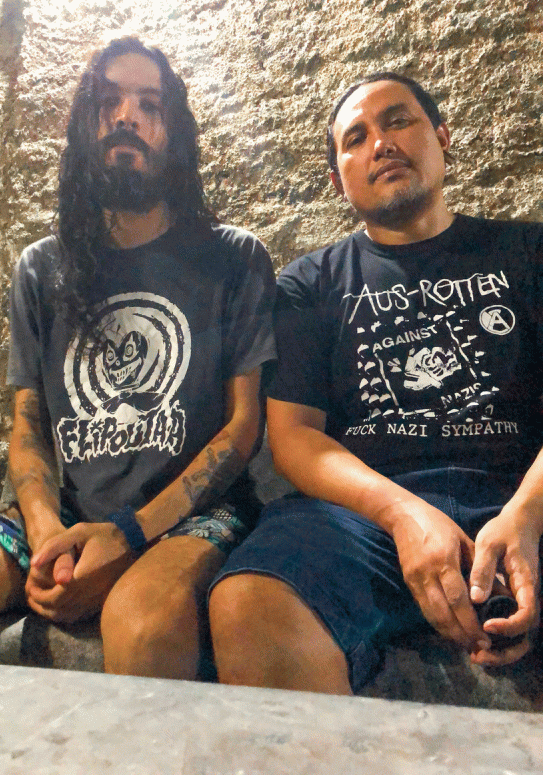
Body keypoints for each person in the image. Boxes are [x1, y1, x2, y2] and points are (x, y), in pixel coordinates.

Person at [0, 36, 275, 680]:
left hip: (189, 517)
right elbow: (28, 426)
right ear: (84, 126)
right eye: (109, 101)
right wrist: (46, 536)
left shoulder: (234, 257)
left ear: (174, 132)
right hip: (62, 516)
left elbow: (242, 430)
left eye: (149, 105)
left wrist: (128, 534)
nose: (127, 116)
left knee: (145, 626)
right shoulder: (41, 267)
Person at [208, 72, 543, 695]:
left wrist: (527, 515)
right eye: (355, 138)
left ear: (441, 136)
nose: (380, 143)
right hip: (364, 518)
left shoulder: (529, 252)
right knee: (248, 601)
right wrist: (403, 514)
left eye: (398, 121)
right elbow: (294, 438)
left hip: (520, 492)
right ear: (339, 180)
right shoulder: (309, 284)